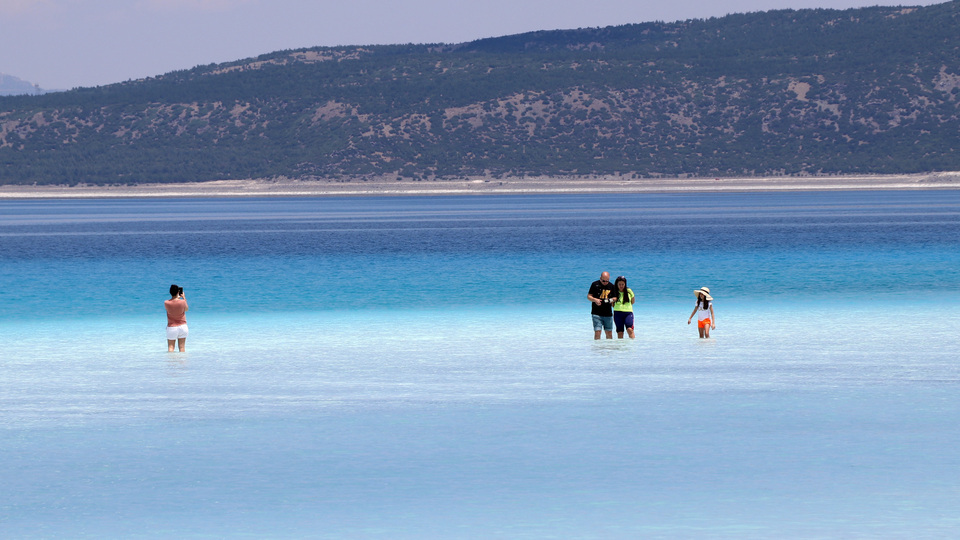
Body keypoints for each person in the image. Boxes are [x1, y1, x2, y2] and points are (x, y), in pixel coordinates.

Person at [587, 271, 617, 339]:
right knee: (598, 332)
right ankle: (598, 348)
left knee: (609, 333)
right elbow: (589, 296)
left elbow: (615, 298)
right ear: (600, 278)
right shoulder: (594, 284)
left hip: (608, 313)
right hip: (596, 313)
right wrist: (595, 300)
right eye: (604, 281)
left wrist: (610, 300)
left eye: (607, 281)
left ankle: (609, 348)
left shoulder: (611, 286)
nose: (605, 283)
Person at [165, 284, 189, 352]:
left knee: (171, 347)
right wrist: (184, 298)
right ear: (178, 292)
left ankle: (171, 362)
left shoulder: (166, 303)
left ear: (170, 292)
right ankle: (182, 362)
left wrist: (177, 298)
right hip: (183, 327)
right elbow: (186, 309)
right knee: (182, 348)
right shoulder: (182, 302)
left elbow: (172, 303)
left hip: (172, 327)